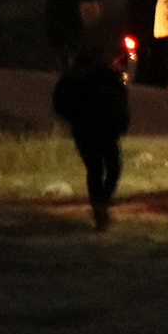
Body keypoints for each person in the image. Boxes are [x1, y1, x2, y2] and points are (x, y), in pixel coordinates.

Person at [50, 43, 132, 230]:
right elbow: (120, 99)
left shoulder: (71, 77)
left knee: (94, 168)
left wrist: (72, 119)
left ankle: (99, 208)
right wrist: (120, 124)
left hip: (83, 129)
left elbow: (58, 103)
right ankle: (102, 204)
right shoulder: (106, 75)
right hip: (106, 128)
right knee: (113, 167)